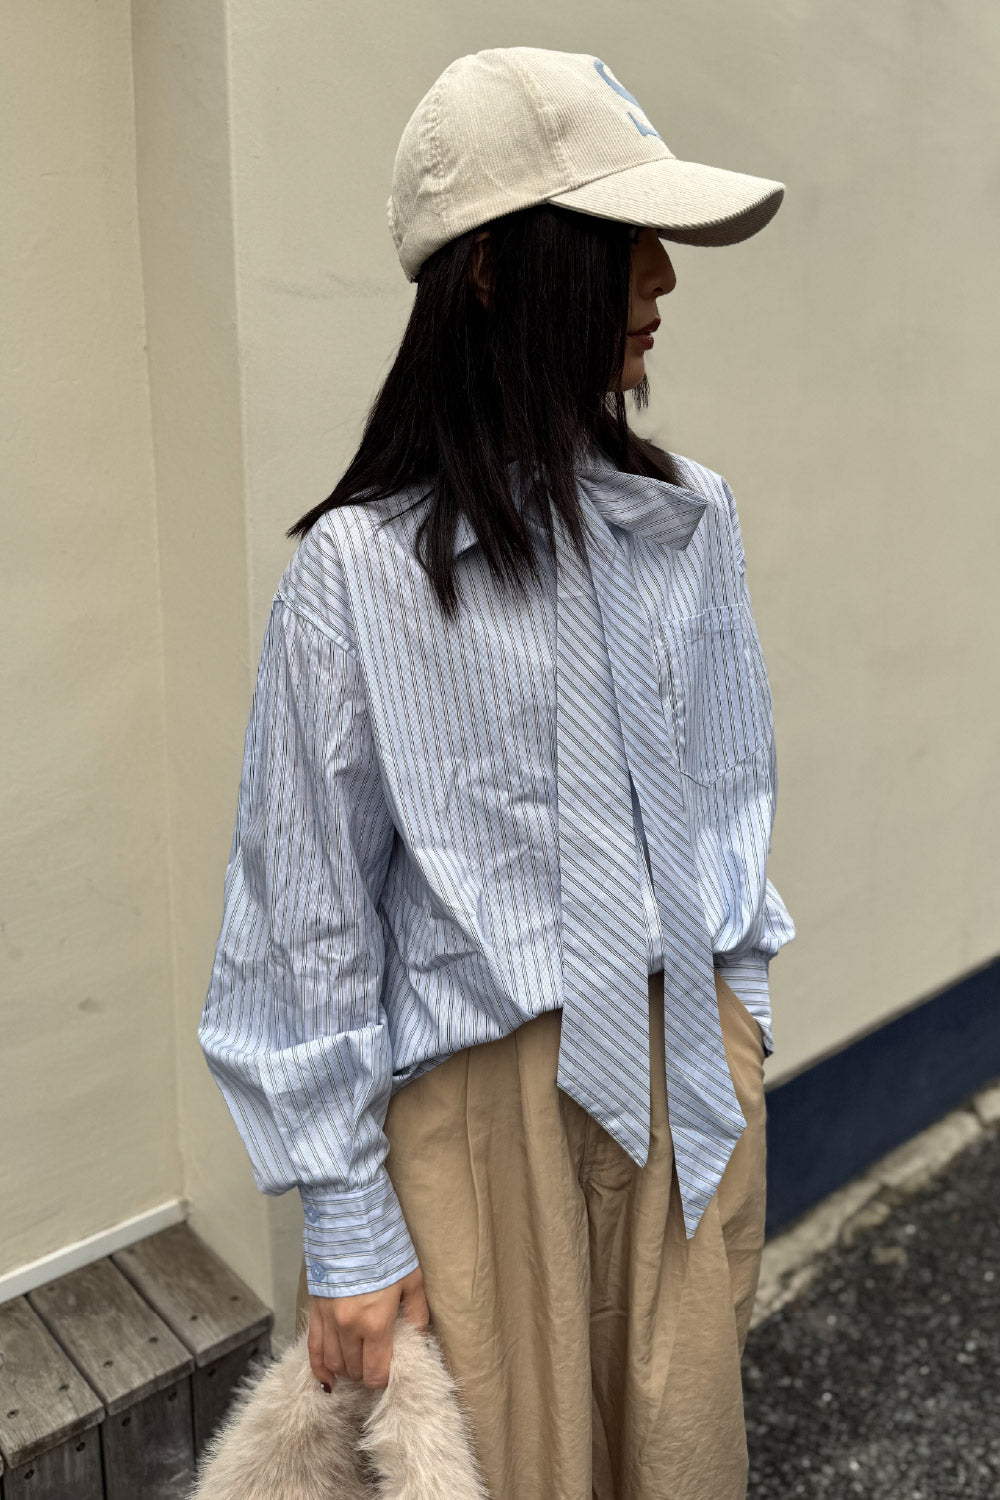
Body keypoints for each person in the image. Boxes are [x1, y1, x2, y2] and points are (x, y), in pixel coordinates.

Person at [199, 45, 795, 1500]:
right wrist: (346, 1230)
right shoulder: (360, 579)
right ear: (489, 275)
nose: (660, 275)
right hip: (482, 1132)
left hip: (679, 1089)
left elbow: (727, 791)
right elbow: (307, 914)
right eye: (620, 240)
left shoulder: (687, 521)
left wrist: (742, 1028)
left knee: (683, 1463)